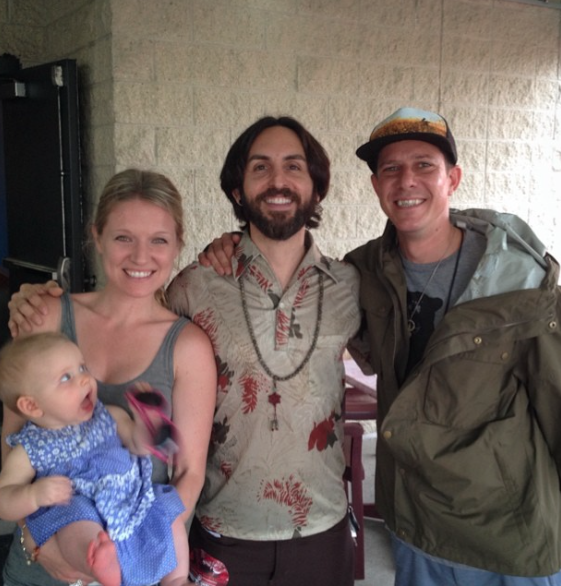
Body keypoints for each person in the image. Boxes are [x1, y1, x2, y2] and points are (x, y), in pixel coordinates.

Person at [197, 107, 561, 585]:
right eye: (391, 168)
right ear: (375, 186)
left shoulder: (520, 281)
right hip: (415, 530)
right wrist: (232, 243)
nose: (406, 180)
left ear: (453, 177)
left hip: (507, 537)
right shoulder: (361, 272)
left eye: (424, 165)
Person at [9, 117, 362, 586]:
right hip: (223, 531)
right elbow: (14, 443)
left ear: (317, 187)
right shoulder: (194, 288)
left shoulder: (351, 286)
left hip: (321, 523)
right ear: (237, 190)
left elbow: (182, 464)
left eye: (294, 166)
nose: (278, 180)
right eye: (260, 167)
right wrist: (37, 536)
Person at [3, 168, 217, 586]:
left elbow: (188, 472)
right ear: (96, 237)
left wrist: (152, 554)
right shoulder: (46, 316)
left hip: (137, 566)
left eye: (158, 239)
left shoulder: (187, 346)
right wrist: (38, 543)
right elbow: (13, 440)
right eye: (123, 238)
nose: (141, 257)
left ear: (177, 246)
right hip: (43, 564)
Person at [0, 332, 189, 586]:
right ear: (32, 406)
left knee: (165, 509)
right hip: (81, 510)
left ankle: (177, 579)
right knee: (75, 518)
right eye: (66, 377)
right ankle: (97, 564)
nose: (85, 378)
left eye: (82, 367)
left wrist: (145, 426)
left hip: (129, 500)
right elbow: (0, 499)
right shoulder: (31, 449)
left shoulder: (109, 416)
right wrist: (33, 496)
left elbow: (137, 446)